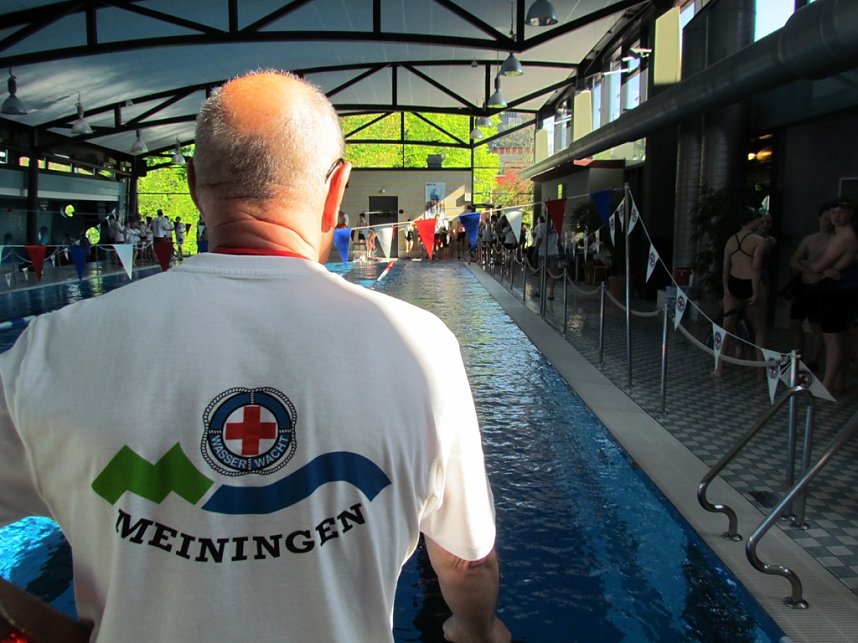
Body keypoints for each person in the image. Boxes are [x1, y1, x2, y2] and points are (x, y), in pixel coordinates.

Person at [0, 70, 509, 643]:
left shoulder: (51, 348)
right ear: (337, 188)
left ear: (192, 184)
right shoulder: (420, 346)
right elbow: (467, 562)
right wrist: (478, 629)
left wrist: (36, 632)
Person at [714, 206, 768, 377]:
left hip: (733, 284)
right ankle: (761, 371)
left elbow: (725, 269)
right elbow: (756, 268)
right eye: (759, 219)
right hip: (750, 284)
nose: (761, 221)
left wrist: (725, 290)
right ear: (752, 220)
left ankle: (719, 368)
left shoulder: (731, 240)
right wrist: (755, 292)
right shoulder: (759, 241)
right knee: (760, 329)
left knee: (726, 328)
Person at [812, 198, 858, 393]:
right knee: (839, 338)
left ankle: (827, 385)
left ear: (850, 214)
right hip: (838, 290)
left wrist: (823, 268)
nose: (837, 216)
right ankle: (838, 382)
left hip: (836, 292)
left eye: (842, 212)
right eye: (834, 212)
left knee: (833, 340)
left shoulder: (844, 237)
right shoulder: (840, 236)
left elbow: (817, 266)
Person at [787, 202, 833, 371]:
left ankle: (814, 359)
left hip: (821, 288)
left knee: (816, 326)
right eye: (825, 218)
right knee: (794, 323)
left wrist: (820, 270)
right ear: (819, 218)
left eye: (830, 219)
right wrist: (811, 267)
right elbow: (794, 261)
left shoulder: (835, 241)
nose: (827, 222)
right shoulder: (809, 240)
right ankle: (797, 355)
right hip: (804, 287)